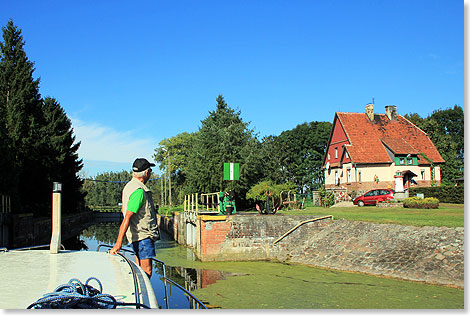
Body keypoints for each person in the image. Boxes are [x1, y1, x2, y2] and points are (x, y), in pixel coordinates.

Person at [110, 158, 160, 278]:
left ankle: (140, 292)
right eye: (150, 171)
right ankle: (143, 294)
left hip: (136, 236)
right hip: (143, 236)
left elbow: (123, 210)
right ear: (147, 173)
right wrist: (118, 243)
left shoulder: (129, 186)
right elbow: (127, 216)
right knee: (147, 271)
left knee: (139, 269)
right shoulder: (139, 191)